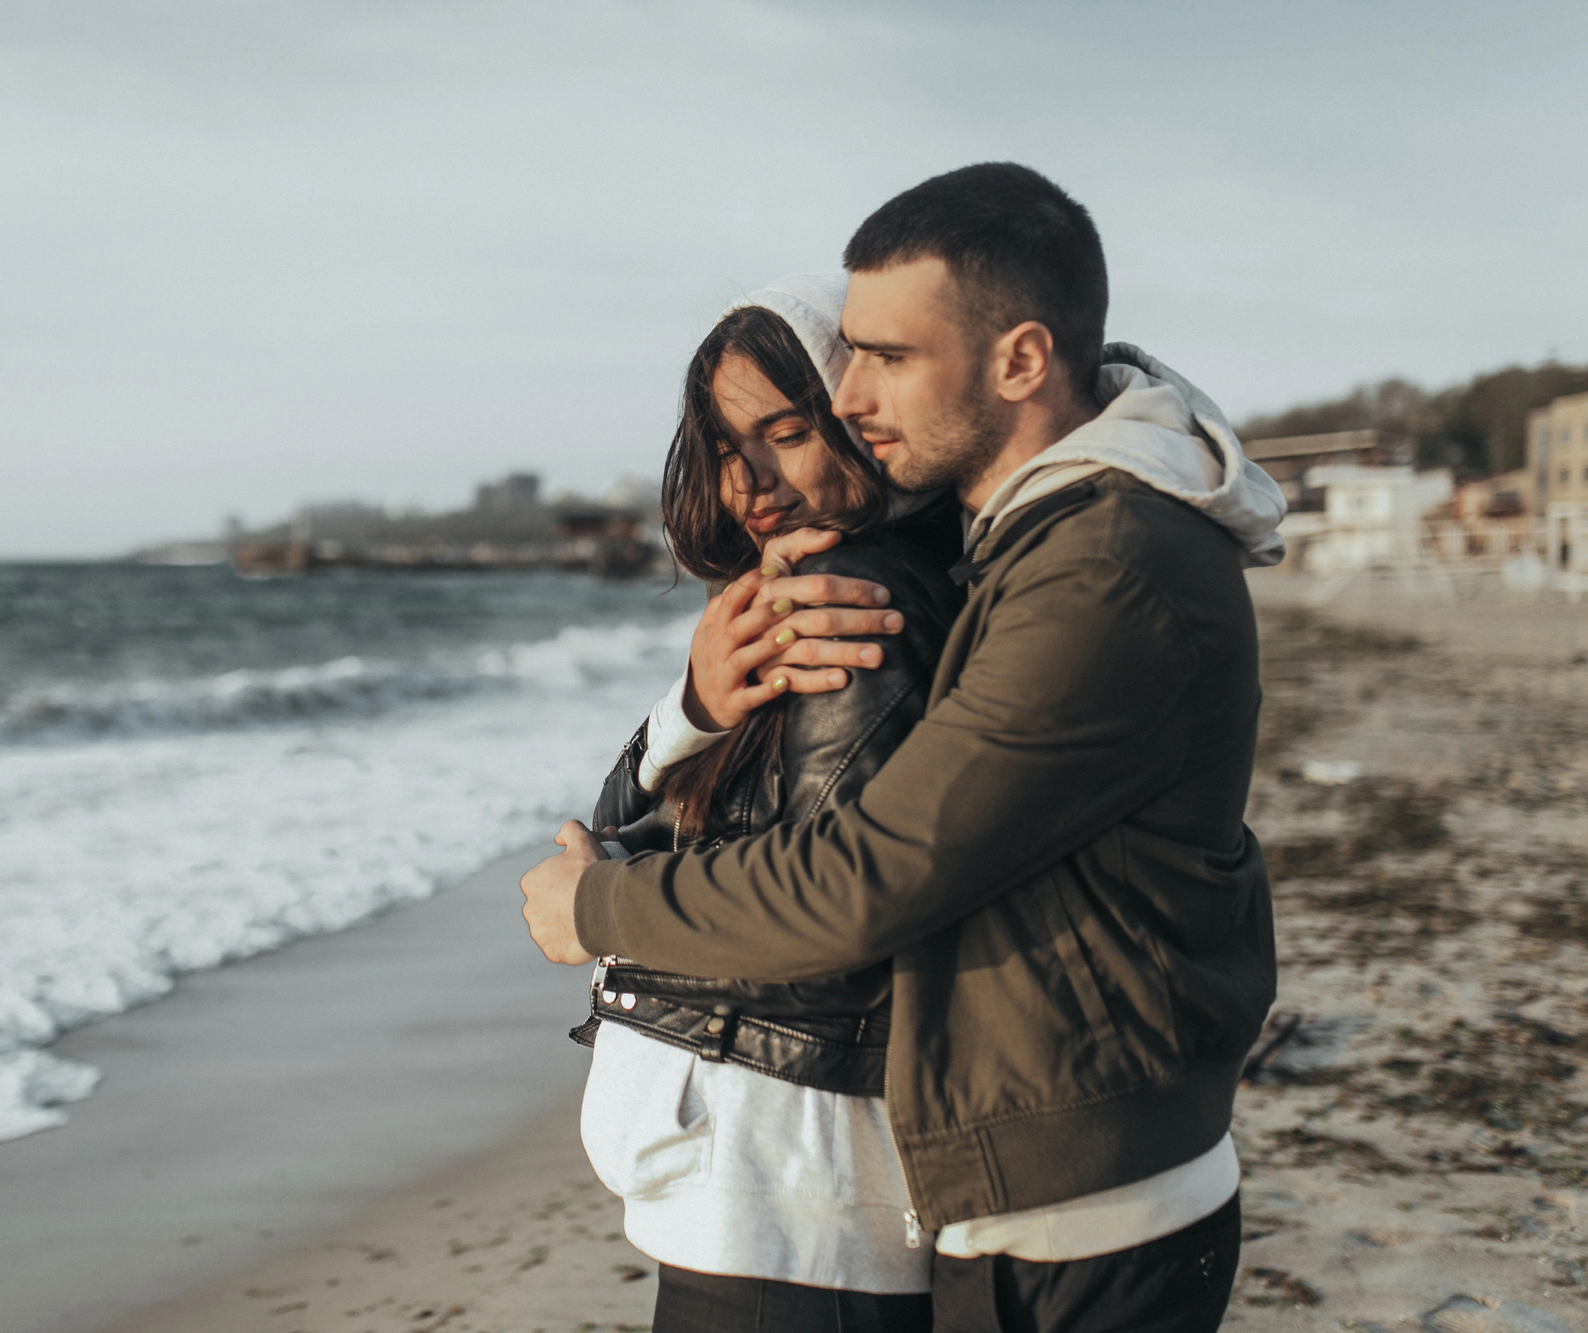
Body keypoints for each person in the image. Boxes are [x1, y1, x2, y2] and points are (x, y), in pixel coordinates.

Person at [523, 162, 1286, 1333]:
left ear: (1019, 359)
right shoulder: (1013, 544)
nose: (856, 394)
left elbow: (849, 894)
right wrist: (693, 711)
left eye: (877, 363)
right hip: (1012, 1184)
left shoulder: (1075, 567)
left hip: (983, 1194)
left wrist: (599, 910)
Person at [574, 273, 964, 1328]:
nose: (745, 478)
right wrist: (695, 702)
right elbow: (626, 815)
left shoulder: (849, 612)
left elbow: (828, 924)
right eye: (719, 445)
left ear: (863, 419)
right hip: (763, 1189)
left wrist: (596, 909)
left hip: (789, 1196)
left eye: (785, 432)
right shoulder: (786, 601)